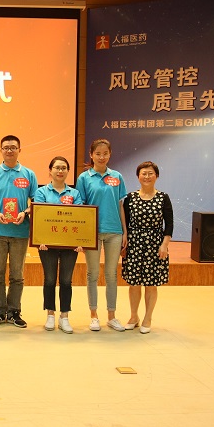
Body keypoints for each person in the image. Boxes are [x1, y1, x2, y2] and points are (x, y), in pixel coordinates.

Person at [0, 135, 38, 328]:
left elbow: (35, 203)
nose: (9, 151)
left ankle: (14, 311)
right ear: (1, 150)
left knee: (17, 275)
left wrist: (25, 212)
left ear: (19, 150)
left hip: (20, 232)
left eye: (13, 147)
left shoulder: (29, 174)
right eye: (6, 147)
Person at [75, 138, 127, 332]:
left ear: (110, 154)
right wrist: (81, 236)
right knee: (92, 274)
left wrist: (124, 231)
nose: (102, 157)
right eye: (98, 153)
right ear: (91, 155)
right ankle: (94, 315)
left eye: (105, 153)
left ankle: (112, 316)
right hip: (92, 233)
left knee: (111, 274)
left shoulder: (117, 176)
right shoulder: (84, 178)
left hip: (114, 231)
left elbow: (120, 205)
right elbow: (81, 207)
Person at [122, 161, 173, 334]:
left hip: (155, 245)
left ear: (156, 176)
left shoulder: (163, 197)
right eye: (143, 173)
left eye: (150, 173)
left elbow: (169, 224)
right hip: (134, 244)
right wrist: (124, 243)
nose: (147, 176)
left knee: (151, 284)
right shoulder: (130, 197)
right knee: (134, 283)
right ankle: (133, 316)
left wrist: (164, 245)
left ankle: (147, 318)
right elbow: (125, 223)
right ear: (138, 176)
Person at [33, 156, 83, 334]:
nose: (60, 171)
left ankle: (64, 317)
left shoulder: (75, 194)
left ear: (68, 171)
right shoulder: (41, 192)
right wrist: (40, 239)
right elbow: (39, 217)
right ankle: (50, 315)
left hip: (70, 245)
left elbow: (80, 218)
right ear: (50, 170)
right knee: (49, 279)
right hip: (47, 245)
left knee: (66, 281)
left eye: (63, 168)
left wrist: (79, 241)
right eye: (57, 168)